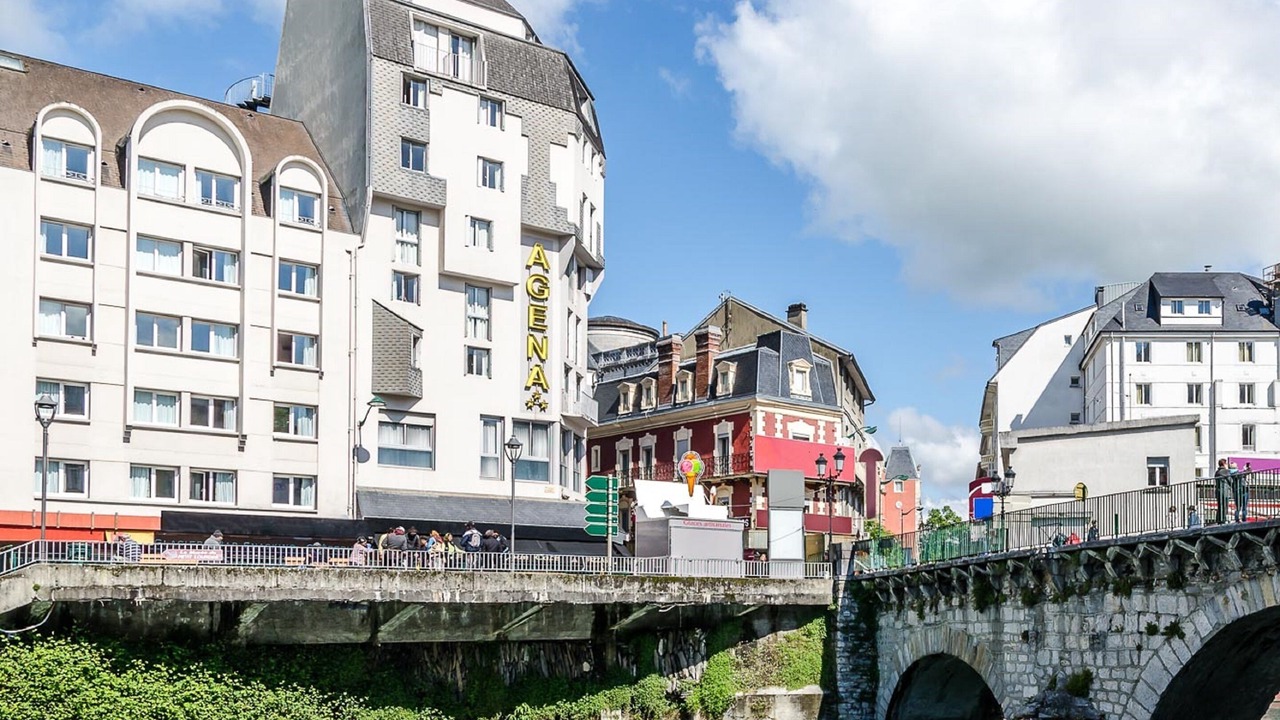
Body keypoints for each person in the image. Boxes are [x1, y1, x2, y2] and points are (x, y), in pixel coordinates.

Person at [1214, 460, 1232, 524]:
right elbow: (1230, 481)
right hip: (1224, 491)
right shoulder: (1225, 471)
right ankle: (1222, 520)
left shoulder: (1217, 472)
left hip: (1219, 491)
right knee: (1224, 506)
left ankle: (1219, 520)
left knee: (1220, 506)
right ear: (1224, 464)